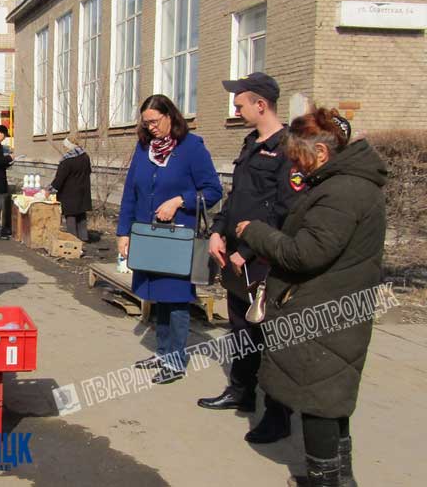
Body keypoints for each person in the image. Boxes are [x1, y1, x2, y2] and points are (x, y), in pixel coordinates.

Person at [235, 108, 385, 486]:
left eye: (297, 155)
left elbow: (306, 253)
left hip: (324, 315)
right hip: (336, 308)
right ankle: (339, 478)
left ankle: (324, 481)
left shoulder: (342, 191)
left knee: (319, 403)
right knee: (332, 400)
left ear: (320, 153)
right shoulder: (347, 184)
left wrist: (255, 232)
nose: (292, 162)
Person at [197, 72, 301, 445]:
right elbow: (237, 196)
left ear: (262, 105)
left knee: (271, 337)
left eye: (240, 104)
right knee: (241, 327)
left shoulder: (289, 149)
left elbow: (283, 214)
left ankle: (278, 415)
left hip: (263, 260)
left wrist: (248, 250)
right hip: (235, 258)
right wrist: (215, 232)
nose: (235, 109)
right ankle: (241, 392)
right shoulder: (251, 143)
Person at [117, 95, 223, 384]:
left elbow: (213, 191)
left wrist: (179, 200)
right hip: (148, 237)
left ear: (170, 116)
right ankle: (163, 352)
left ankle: (175, 360)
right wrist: (123, 232)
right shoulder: (144, 149)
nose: (150, 127)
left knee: (175, 299)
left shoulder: (191, 148)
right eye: (146, 122)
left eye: (155, 121)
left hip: (177, 239)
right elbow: (130, 193)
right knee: (157, 297)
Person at [49, 136, 92, 242]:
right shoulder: (85, 156)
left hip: (69, 193)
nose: (64, 149)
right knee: (81, 214)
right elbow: (89, 171)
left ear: (68, 147)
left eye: (65, 146)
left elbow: (59, 179)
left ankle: (73, 240)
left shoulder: (67, 161)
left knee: (71, 216)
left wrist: (50, 190)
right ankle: (83, 237)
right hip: (83, 191)